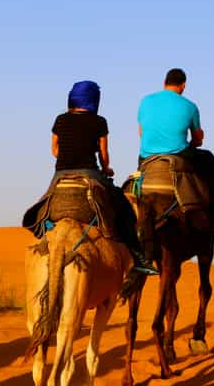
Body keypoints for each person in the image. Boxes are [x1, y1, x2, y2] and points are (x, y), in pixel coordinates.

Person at [51, 80, 157, 275]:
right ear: (94, 100)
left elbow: (54, 150)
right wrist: (107, 168)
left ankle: (44, 240)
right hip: (89, 173)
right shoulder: (99, 122)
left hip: (60, 175)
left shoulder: (60, 120)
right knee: (124, 208)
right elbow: (103, 152)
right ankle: (138, 258)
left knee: (43, 208)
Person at [137, 68, 214, 221]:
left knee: (136, 183)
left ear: (164, 83)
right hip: (178, 155)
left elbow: (141, 133)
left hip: (146, 156)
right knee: (209, 161)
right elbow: (197, 141)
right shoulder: (190, 106)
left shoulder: (145, 101)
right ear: (183, 85)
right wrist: (196, 139)